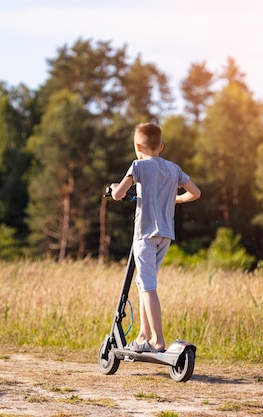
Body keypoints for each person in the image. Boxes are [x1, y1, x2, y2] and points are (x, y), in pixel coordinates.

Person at [110, 122, 201, 353]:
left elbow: (119, 194)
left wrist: (113, 190)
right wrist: (177, 199)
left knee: (148, 286)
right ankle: (143, 335)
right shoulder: (173, 169)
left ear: (137, 145)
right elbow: (195, 192)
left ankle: (157, 340)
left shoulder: (138, 166)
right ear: (161, 146)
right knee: (143, 283)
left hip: (145, 234)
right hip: (165, 235)